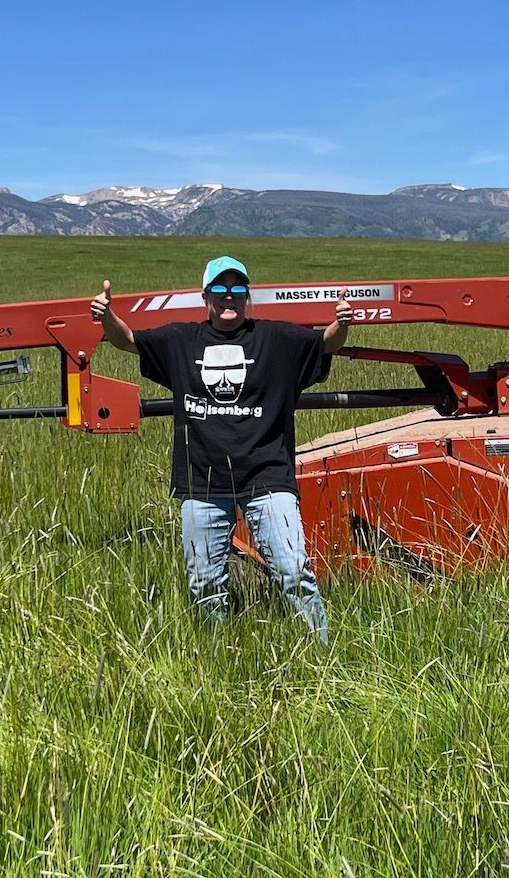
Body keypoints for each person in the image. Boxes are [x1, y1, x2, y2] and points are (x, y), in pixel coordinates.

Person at [90, 256, 352, 645]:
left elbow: (323, 345)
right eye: (219, 291)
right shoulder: (181, 341)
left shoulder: (276, 339)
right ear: (205, 297)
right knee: (204, 584)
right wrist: (106, 315)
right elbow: (127, 340)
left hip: (267, 479)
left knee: (294, 572)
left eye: (237, 291)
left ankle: (322, 653)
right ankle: (217, 655)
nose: (228, 298)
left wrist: (342, 322)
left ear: (247, 297)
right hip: (203, 484)